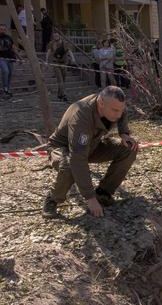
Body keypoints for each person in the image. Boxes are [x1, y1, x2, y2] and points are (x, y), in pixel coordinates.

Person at [42, 86, 139, 219]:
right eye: (115, 110)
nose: (118, 115)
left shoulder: (112, 105)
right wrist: (90, 198)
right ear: (101, 103)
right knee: (70, 165)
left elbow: (122, 111)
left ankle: (103, 192)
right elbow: (77, 158)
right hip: (64, 148)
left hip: (92, 145)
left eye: (120, 110)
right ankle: (52, 199)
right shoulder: (81, 117)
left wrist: (124, 133)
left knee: (129, 148)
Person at [46, 32, 76, 101]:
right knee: (60, 80)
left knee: (63, 80)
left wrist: (73, 58)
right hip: (56, 63)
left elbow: (69, 51)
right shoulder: (51, 43)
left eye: (57, 35)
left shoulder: (64, 43)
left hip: (64, 63)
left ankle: (59, 94)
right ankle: (63, 95)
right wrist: (46, 61)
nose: (55, 37)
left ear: (59, 36)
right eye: (54, 36)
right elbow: (49, 52)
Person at [0, 24, 19, 98]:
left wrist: (20, 58)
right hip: (1, 58)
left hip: (10, 58)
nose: (2, 30)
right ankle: (4, 88)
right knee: (5, 71)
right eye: (1, 29)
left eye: (4, 29)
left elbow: (13, 48)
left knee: (10, 74)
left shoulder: (8, 37)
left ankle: (7, 89)